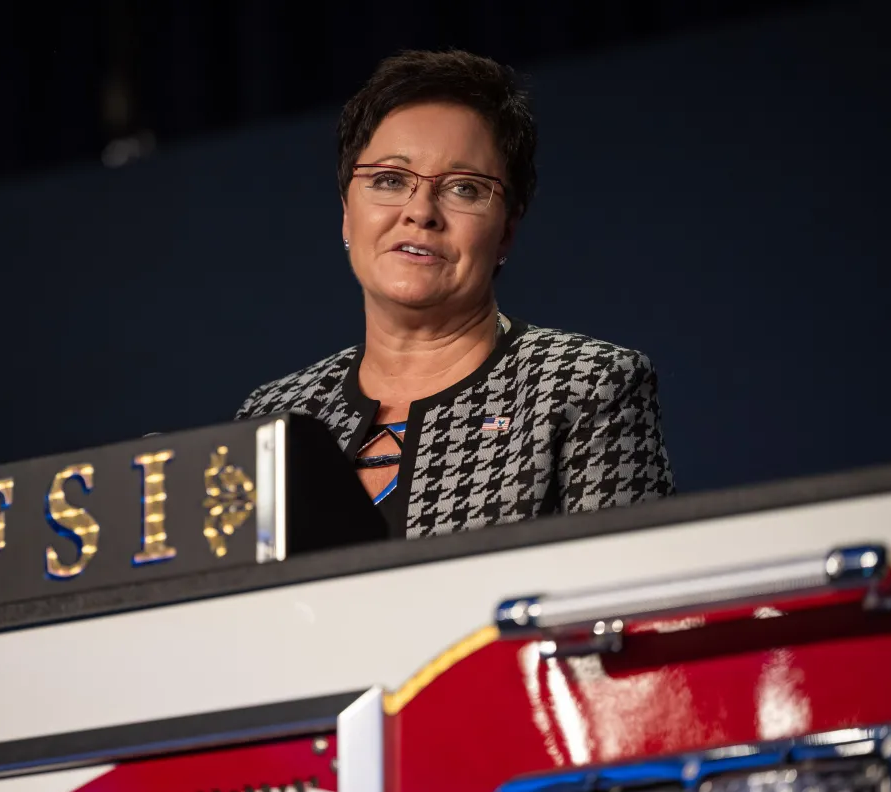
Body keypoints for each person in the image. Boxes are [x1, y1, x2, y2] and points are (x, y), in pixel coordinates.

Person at [237, 48, 674, 538]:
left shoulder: (585, 387)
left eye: (464, 188)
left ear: (506, 230)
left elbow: (616, 599)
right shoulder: (273, 418)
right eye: (389, 179)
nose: (420, 211)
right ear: (346, 212)